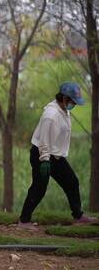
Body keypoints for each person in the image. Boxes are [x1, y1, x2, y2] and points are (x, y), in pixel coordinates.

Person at [18, 82, 97, 229]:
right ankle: (24, 221)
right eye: (73, 101)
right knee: (39, 188)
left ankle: (78, 216)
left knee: (72, 182)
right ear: (65, 98)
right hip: (43, 155)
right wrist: (45, 160)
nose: (74, 104)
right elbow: (44, 140)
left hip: (57, 157)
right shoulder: (51, 115)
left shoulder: (62, 110)